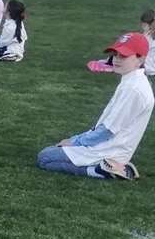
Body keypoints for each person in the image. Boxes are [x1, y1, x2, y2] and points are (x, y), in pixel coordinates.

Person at [36, 32, 153, 181]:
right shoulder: (133, 82)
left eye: (123, 56)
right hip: (109, 147)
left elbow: (106, 131)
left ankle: (101, 170)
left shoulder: (133, 89)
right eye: (116, 54)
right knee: (53, 152)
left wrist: (74, 141)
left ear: (140, 59)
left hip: (108, 150)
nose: (116, 59)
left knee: (45, 158)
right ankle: (108, 168)